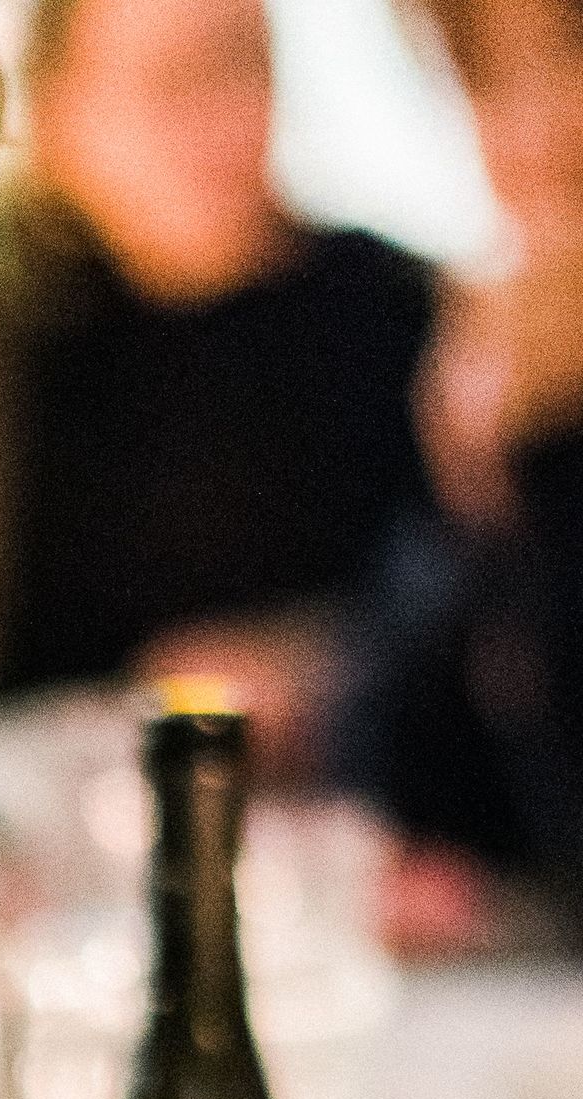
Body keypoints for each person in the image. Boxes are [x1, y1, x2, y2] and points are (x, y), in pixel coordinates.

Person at [0, 0, 436, 762]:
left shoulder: (391, 308)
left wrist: (332, 671)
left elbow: (468, 603)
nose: (227, 123)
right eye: (174, 83)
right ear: (56, 115)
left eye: (247, 66)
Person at [335, 0, 583, 932]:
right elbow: (396, 769)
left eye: (574, 52)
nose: (541, 125)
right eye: (486, 78)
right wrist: (487, 477)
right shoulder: (488, 357)